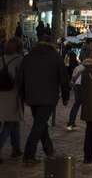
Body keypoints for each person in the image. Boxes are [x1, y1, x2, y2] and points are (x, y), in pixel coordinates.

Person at [16, 36, 70, 165]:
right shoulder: (55, 57)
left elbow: (20, 78)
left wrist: (23, 95)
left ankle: (48, 149)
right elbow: (64, 78)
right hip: (49, 96)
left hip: (32, 96)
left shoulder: (28, 57)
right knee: (39, 125)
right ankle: (29, 155)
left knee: (40, 123)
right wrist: (65, 97)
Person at [0, 38, 24, 163]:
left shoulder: (1, 58)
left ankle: (16, 149)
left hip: (1, 94)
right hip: (12, 95)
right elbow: (20, 79)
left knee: (14, 122)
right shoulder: (19, 60)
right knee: (9, 123)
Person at [67, 56, 85, 131]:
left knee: (76, 104)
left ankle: (71, 122)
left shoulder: (77, 67)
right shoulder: (88, 68)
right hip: (83, 86)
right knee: (85, 104)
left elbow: (73, 78)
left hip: (77, 86)